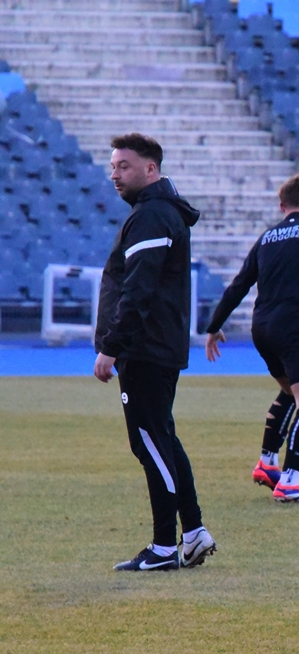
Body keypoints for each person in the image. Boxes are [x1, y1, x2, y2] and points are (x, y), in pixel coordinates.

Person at [94, 133, 216, 571]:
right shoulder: (158, 212)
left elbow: (138, 288)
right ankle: (194, 532)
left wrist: (112, 346)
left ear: (150, 169)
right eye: (113, 166)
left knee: (149, 443)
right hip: (156, 345)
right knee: (162, 439)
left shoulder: (151, 216)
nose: (115, 174)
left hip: (145, 348)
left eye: (123, 166)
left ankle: (164, 547)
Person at [204, 173, 299, 504]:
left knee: (291, 391)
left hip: (261, 327)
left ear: (282, 206)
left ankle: (267, 463)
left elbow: (239, 283)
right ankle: (290, 482)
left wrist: (214, 326)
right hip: (295, 326)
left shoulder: (267, 238)